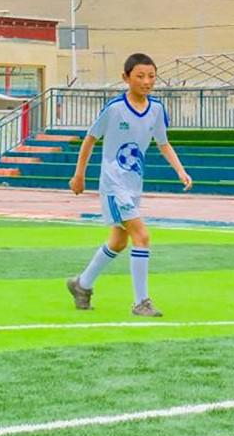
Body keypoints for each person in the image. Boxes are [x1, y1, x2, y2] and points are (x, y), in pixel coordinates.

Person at [66, 53, 193, 317]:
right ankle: (141, 302)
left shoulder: (156, 109)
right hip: (113, 185)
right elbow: (90, 139)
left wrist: (181, 171)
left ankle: (82, 285)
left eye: (151, 76)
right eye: (140, 76)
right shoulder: (114, 108)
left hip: (134, 184)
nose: (147, 81)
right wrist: (79, 175)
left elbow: (163, 143)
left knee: (117, 242)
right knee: (142, 236)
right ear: (125, 78)